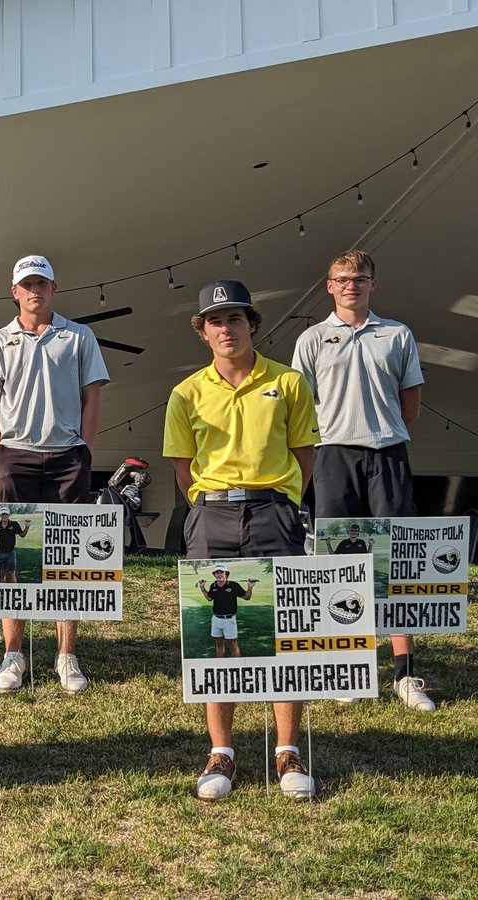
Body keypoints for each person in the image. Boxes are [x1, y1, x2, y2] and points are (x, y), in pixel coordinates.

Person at [164, 279, 319, 801]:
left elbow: (305, 456)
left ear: (252, 324)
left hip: (273, 510)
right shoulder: (186, 392)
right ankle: (222, 751)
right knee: (214, 639)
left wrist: (280, 501)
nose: (225, 328)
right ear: (202, 332)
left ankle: (287, 750)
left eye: (235, 318)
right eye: (215, 321)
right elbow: (184, 471)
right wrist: (208, 509)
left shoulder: (289, 382)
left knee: (281, 631)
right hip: (213, 515)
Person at [291, 249, 432, 712]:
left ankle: (406, 673)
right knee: (336, 560)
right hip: (333, 453)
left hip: (387, 451)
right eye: (342, 278)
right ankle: (345, 665)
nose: (352, 284)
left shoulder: (398, 334)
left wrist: (386, 430)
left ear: (374, 283)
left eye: (360, 277)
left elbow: (409, 399)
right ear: (329, 286)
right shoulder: (311, 339)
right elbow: (297, 406)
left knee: (396, 559)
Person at [0, 255, 109, 693]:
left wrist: (85, 450)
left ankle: (66, 654)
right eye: (27, 284)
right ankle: (13, 653)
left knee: (67, 558)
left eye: (42, 283)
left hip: (68, 456)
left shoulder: (79, 336)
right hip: (16, 455)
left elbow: (92, 397)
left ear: (54, 288)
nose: (35, 290)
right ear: (14, 291)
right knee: (10, 559)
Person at [196, 564, 257, 659]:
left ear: (226, 574)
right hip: (216, 619)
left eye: (221, 572)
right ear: (214, 575)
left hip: (229, 619)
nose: (219, 574)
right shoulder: (213, 585)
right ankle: (220, 665)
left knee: (233, 644)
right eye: (217, 572)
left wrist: (250, 587)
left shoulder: (233, 585)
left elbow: (246, 597)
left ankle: (236, 667)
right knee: (219, 643)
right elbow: (209, 598)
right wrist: (202, 588)